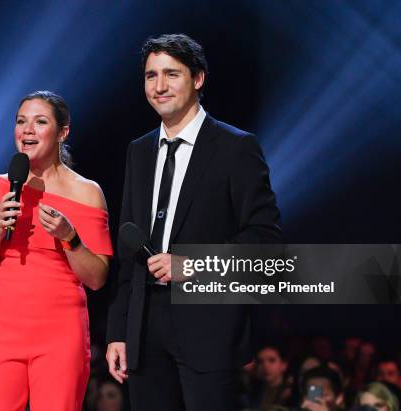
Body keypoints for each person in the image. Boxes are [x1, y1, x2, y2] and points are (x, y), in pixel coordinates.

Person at [106, 33, 282, 410]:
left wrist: (194, 265)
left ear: (198, 79)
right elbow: (128, 247)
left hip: (209, 324)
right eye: (151, 76)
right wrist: (119, 331)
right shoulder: (138, 151)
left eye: (172, 74)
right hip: (144, 325)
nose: (159, 86)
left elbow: (265, 238)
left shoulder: (236, 147)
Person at [0, 91, 113, 411]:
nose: (27, 130)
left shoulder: (87, 193)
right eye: (21, 122)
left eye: (40, 122)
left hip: (61, 333)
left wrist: (70, 237)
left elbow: (98, 278)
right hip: (0, 332)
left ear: (63, 132)